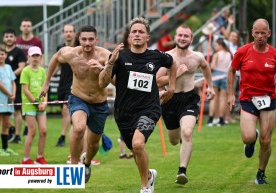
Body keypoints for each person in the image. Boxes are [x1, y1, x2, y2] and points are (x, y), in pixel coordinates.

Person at [99, 17, 177, 193]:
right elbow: (102, 82)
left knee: (138, 144)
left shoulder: (156, 56)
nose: (137, 34)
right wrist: (110, 62)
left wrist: (171, 87)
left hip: (149, 109)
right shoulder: (120, 56)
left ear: (147, 37)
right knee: (136, 150)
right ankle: (149, 175)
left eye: (141, 32)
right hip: (123, 113)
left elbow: (173, 63)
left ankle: (145, 187)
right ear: (129, 36)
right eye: (134, 31)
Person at [39, 25, 111, 183]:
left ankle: (86, 163)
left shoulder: (105, 55)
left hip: (99, 103)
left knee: (93, 145)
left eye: (91, 39)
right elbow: (56, 58)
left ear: (96, 40)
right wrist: (46, 83)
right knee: (78, 128)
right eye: (84, 39)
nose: (87, 43)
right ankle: (73, 166)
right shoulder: (70, 53)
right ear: (79, 40)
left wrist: (103, 68)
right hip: (78, 97)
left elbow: (113, 80)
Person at [156, 24, 215, 185]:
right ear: (175, 37)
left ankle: (182, 171)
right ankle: (182, 141)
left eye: (186, 36)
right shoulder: (167, 57)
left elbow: (206, 67)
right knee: (174, 140)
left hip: (189, 98)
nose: (182, 38)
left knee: (187, 132)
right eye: (180, 35)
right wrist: (175, 75)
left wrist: (210, 87)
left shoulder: (197, 57)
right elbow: (156, 80)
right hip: (169, 100)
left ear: (191, 38)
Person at [227, 18, 276, 185]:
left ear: (269, 33)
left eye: (263, 33)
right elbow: (231, 71)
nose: (260, 36)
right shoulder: (242, 51)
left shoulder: (274, 54)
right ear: (252, 33)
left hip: (269, 99)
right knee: (248, 138)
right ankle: (251, 140)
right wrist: (230, 94)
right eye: (257, 32)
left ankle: (261, 173)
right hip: (248, 99)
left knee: (266, 140)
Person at [20, 46, 48, 164]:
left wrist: (45, 102)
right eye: (33, 56)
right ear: (29, 57)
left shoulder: (42, 71)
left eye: (37, 56)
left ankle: (40, 156)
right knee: (32, 131)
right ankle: (26, 158)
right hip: (29, 105)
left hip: (40, 105)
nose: (35, 58)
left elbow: (45, 88)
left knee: (44, 130)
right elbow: (25, 90)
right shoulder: (25, 71)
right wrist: (36, 103)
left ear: (41, 57)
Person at [0, 44, 18, 156]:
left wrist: (14, 94)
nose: (0, 56)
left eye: (2, 54)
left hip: (8, 100)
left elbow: (13, 82)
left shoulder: (9, 67)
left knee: (6, 124)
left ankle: (5, 148)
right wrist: (9, 93)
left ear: (6, 55)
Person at [3, 28, 27, 144]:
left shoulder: (19, 52)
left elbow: (22, 67)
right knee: (2, 111)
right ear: (4, 38)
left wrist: (9, 75)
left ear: (15, 38)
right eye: (7, 36)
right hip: (2, 86)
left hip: (15, 85)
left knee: (17, 111)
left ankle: (17, 136)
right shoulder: (1, 52)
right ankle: (10, 128)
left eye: (11, 36)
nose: (9, 38)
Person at [55, 24, 76, 147]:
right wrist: (47, 79)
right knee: (70, 114)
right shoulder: (60, 48)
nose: (68, 33)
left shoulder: (78, 47)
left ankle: (62, 137)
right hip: (62, 84)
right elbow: (56, 64)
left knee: (65, 110)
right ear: (63, 33)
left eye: (70, 31)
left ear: (74, 33)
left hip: (74, 84)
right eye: (66, 31)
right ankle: (77, 134)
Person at [207, 38, 232, 127]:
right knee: (223, 99)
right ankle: (221, 120)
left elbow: (213, 67)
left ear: (220, 45)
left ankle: (210, 119)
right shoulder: (229, 54)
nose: (215, 47)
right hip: (225, 77)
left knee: (213, 98)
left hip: (215, 77)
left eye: (216, 46)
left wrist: (208, 67)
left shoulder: (217, 54)